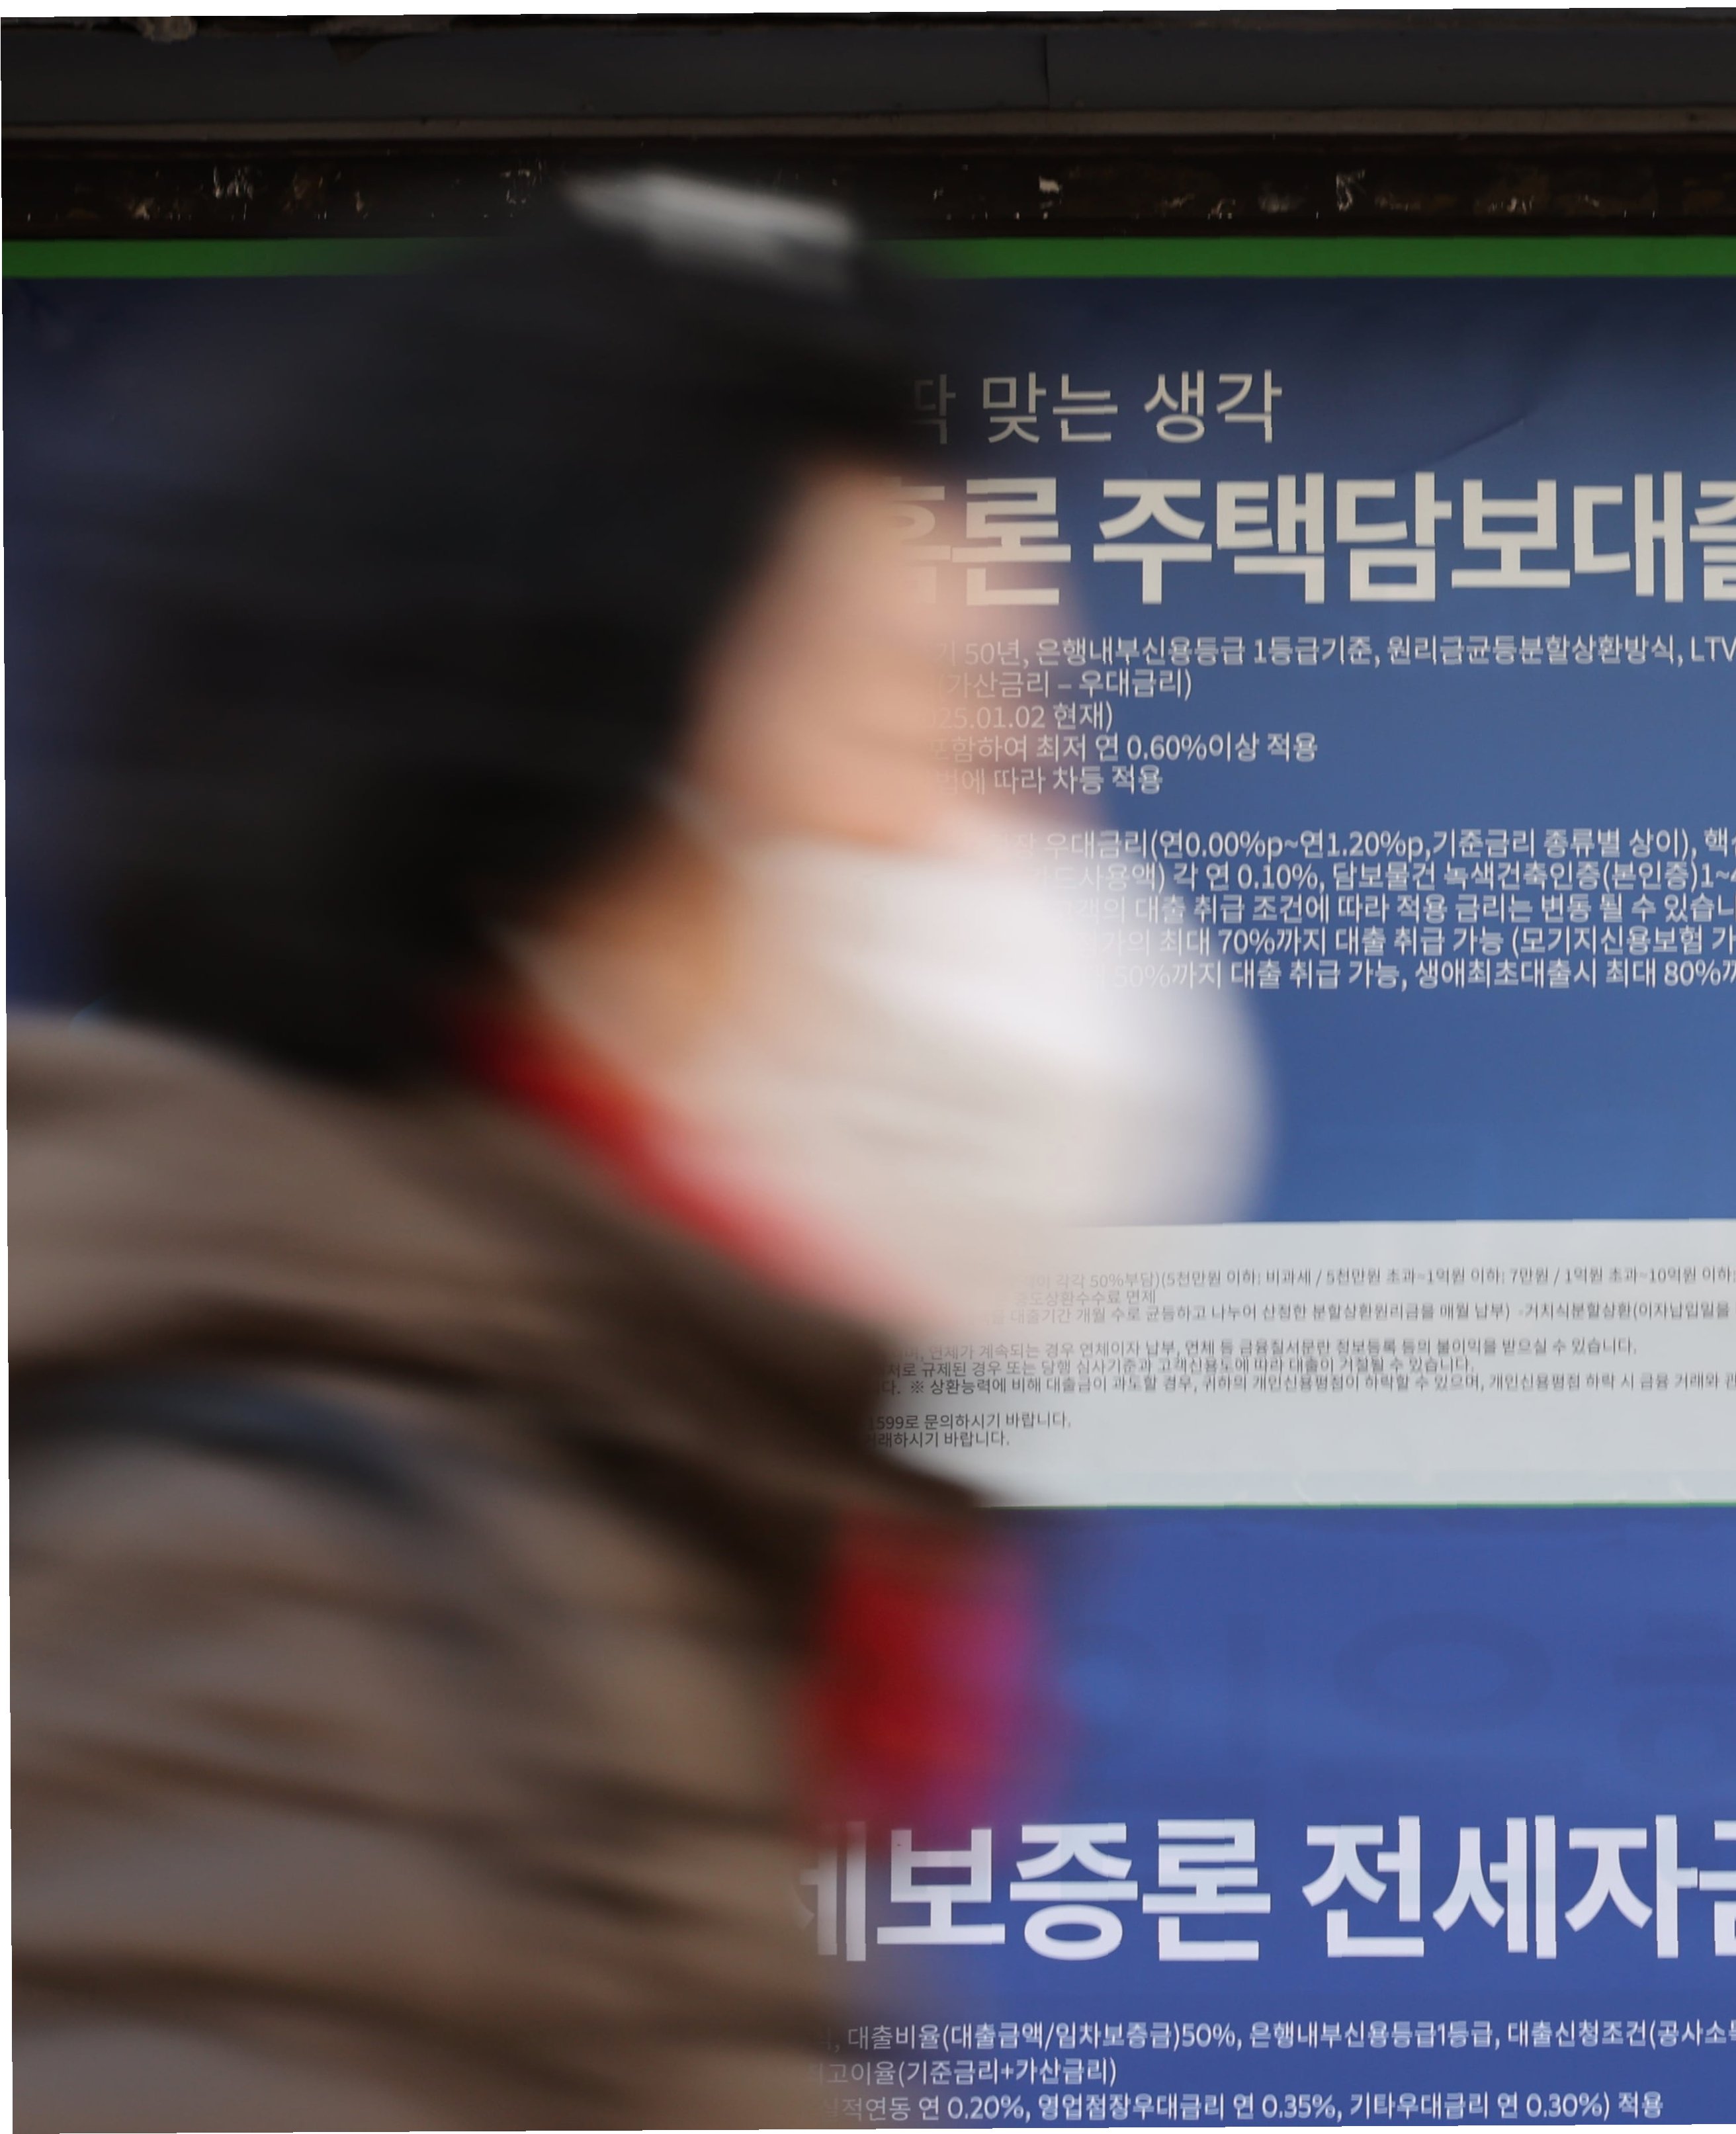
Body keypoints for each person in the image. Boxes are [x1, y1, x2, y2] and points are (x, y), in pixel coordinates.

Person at [12, 174, 1255, 2131]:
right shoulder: (258, 1589)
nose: (1013, 860)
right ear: (551, 798)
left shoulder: (602, 1508)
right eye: (938, 734)